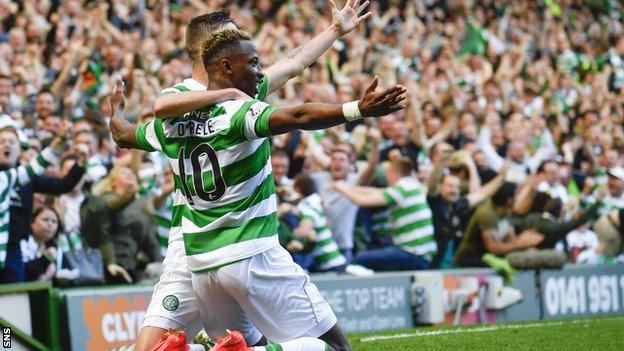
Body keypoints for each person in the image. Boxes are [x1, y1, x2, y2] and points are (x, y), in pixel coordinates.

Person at [109, 25, 404, 351]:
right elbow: (300, 114)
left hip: (202, 267)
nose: (260, 72)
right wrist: (357, 109)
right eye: (253, 63)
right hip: (251, 254)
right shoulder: (238, 111)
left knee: (241, 342)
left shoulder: (170, 124)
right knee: (335, 347)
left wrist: (117, 111)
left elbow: (124, 134)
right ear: (225, 67)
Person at [332, 157, 437, 270]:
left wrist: (341, 188)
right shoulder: (410, 185)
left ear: (393, 172)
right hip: (421, 254)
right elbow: (376, 192)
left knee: (360, 259)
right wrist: (349, 187)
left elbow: (362, 201)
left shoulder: (400, 189)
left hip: (414, 254)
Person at [0, 126, 65, 280]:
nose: (6, 145)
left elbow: (33, 169)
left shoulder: (5, 178)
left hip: (7, 254)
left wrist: (57, 143)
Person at [427, 147, 508, 268]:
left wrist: (501, 177)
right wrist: (441, 160)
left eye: (456, 187)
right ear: (441, 187)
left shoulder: (457, 205)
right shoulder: (435, 202)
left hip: (452, 263)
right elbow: (432, 185)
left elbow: (481, 194)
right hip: (433, 262)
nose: (453, 190)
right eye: (449, 186)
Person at [454, 182, 545, 267]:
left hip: (487, 260)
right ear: (509, 200)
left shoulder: (506, 212)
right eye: (517, 194)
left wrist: (525, 242)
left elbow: (511, 240)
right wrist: (520, 244)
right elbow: (493, 248)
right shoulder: (487, 214)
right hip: (469, 263)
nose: (520, 198)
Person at [20, 206, 61, 282]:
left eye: (54, 221)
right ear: (32, 223)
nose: (50, 224)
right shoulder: (22, 243)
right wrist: (47, 258)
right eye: (45, 220)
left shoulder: (55, 247)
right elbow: (23, 272)